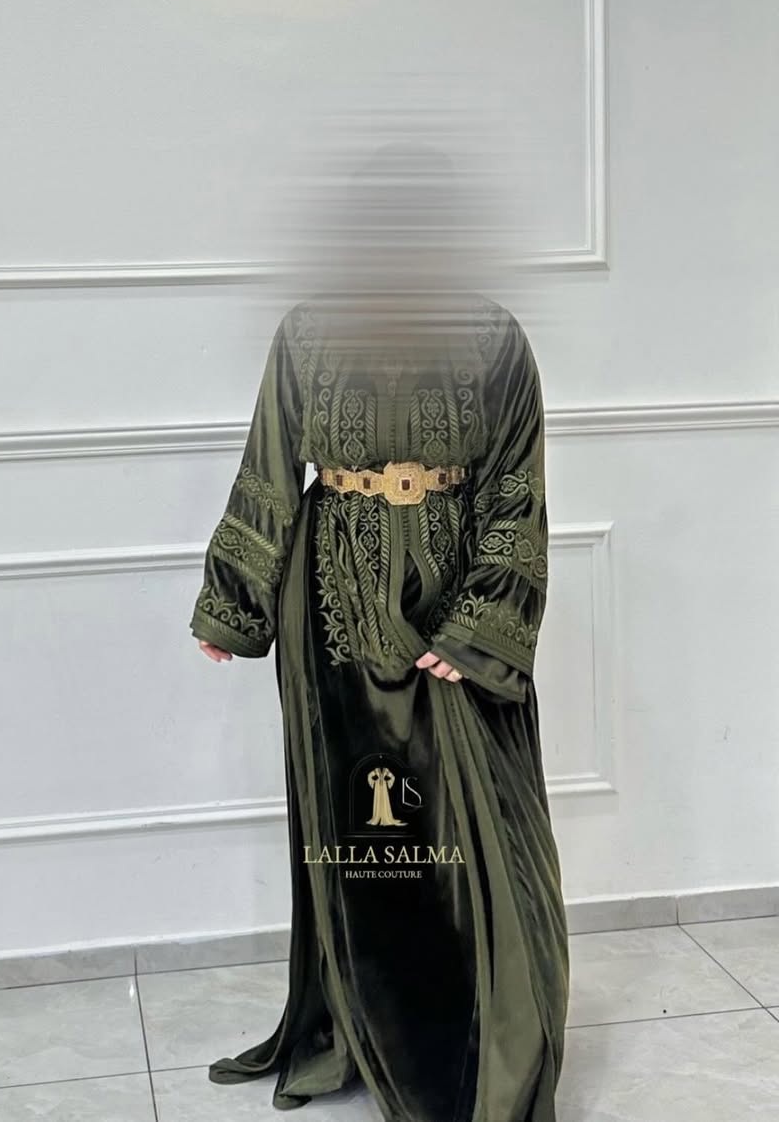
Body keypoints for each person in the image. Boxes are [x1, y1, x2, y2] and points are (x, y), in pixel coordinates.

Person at [188, 168, 569, 1120]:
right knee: (360, 837)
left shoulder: (495, 338)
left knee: (478, 835)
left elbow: (515, 488)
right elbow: (271, 464)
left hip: (452, 596)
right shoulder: (305, 333)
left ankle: (487, 1037)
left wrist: (477, 627)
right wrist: (235, 604)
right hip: (328, 608)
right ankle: (359, 1026)